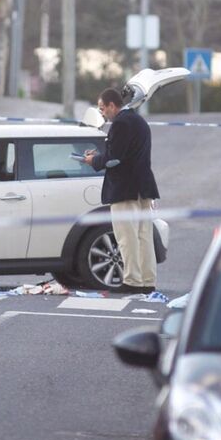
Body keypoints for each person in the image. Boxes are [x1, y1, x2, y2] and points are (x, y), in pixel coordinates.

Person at [84, 88, 159, 294]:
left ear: (112, 105)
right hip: (143, 186)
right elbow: (125, 153)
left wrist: (94, 160)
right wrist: (102, 154)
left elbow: (115, 159)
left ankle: (132, 281)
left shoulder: (121, 123)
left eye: (102, 108)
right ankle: (147, 281)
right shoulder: (139, 121)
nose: (102, 113)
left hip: (125, 188)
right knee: (144, 236)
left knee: (127, 237)